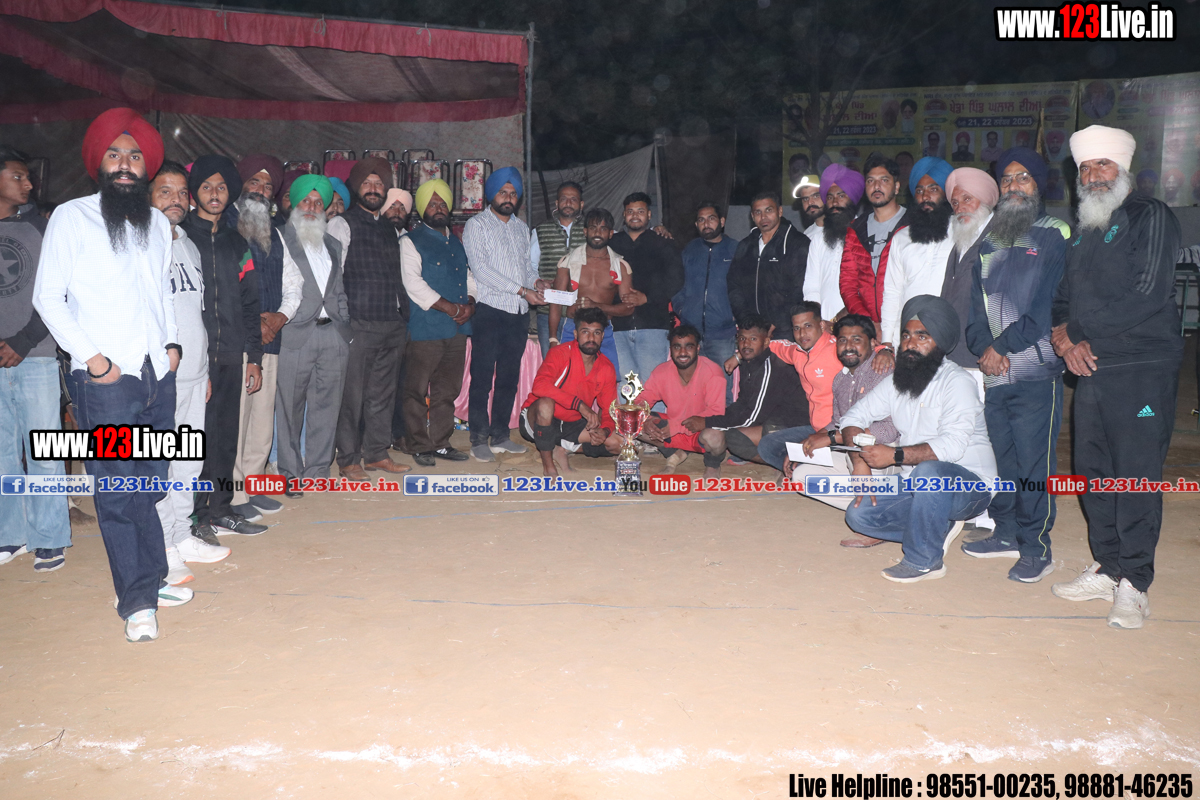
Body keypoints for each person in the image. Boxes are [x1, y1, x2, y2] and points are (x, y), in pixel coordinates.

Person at [34, 108, 192, 642]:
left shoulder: (157, 224)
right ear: (98, 163)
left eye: (135, 156)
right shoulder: (71, 217)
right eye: (115, 154)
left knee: (150, 484)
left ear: (146, 167)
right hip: (106, 381)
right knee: (119, 493)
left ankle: (154, 578)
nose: (125, 164)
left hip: (155, 376)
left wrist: (171, 346)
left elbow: (161, 294)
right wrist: (94, 359)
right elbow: (47, 297)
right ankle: (136, 602)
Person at [1050, 125, 1181, 629]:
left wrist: (1081, 334)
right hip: (1090, 367)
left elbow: (1149, 291)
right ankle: (1108, 567)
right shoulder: (1086, 227)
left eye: (1102, 164)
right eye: (1085, 167)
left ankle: (1136, 583)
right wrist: (1066, 340)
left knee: (1135, 475)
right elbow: (1062, 299)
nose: (1093, 175)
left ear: (1123, 168)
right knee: (1093, 473)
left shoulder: (1151, 215)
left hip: (1141, 367)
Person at [964, 147, 1069, 584]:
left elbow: (1046, 306)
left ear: (1038, 185)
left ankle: (1036, 548)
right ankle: (1006, 532)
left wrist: (1002, 347)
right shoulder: (989, 241)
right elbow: (974, 308)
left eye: (1023, 177)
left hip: (1035, 372)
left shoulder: (1055, 234)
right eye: (1006, 179)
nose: (1013, 186)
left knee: (1032, 465)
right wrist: (983, 348)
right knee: (1004, 461)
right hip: (995, 374)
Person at [840, 295, 997, 583]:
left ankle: (925, 560)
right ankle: (936, 527)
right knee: (859, 516)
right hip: (915, 483)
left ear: (940, 342)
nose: (910, 344)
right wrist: (859, 460)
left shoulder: (957, 382)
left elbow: (952, 446)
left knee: (929, 472)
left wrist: (895, 455)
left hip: (969, 486)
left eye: (922, 336)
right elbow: (852, 417)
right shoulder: (898, 380)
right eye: (906, 336)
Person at [149, 161, 231, 584]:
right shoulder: (141, 244)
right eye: (165, 191)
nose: (177, 200)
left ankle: (182, 535)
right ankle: (162, 545)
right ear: (147, 195)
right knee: (161, 465)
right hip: (160, 377)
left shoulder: (188, 245)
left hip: (195, 375)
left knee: (188, 462)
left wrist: (204, 369)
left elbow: (195, 315)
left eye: (182, 192)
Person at [180, 155, 267, 541]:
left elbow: (250, 302)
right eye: (206, 187)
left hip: (231, 354)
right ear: (194, 193)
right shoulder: (180, 238)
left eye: (221, 187)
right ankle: (195, 516)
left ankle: (220, 509)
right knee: (195, 440)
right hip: (193, 359)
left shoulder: (237, 243)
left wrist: (254, 357)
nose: (214, 194)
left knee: (225, 436)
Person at [0, 145, 71, 573]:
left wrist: (23, 342)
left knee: (43, 451)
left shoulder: (42, 228)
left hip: (37, 356)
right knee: (2, 452)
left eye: (28, 177)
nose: (28, 184)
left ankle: (49, 537)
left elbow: (58, 292)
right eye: (18, 176)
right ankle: (10, 534)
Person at [781, 315, 900, 543]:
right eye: (843, 340)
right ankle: (882, 510)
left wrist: (831, 437)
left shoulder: (883, 372)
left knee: (862, 453)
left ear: (872, 343)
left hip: (887, 455)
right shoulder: (840, 379)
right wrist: (805, 445)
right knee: (802, 477)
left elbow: (889, 430)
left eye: (856, 340)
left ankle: (874, 522)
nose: (848, 346)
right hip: (851, 452)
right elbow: (836, 422)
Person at [327, 156, 411, 480]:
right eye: (367, 183)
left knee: (382, 394)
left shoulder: (390, 228)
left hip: (391, 324)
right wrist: (343, 322)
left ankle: (377, 454)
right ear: (356, 188)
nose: (374, 188)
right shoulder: (341, 224)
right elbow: (333, 277)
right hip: (359, 325)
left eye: (379, 184)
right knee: (352, 397)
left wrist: (402, 317)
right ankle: (349, 459)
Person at [275, 175, 352, 494]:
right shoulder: (279, 237)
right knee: (289, 408)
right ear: (294, 204)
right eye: (305, 200)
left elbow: (338, 289)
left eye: (318, 202)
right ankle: (290, 472)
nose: (311, 207)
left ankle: (318, 470)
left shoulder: (333, 243)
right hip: (295, 333)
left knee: (327, 406)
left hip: (333, 334)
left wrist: (344, 325)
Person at [462, 166, 545, 463]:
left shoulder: (522, 228)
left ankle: (499, 436)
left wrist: (536, 282)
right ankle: (478, 438)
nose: (508, 198)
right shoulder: (477, 226)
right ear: (491, 195)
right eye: (502, 192)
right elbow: (481, 270)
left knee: (509, 378)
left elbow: (526, 268)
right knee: (482, 378)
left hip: (518, 314)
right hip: (490, 311)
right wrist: (522, 290)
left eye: (513, 193)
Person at [228, 154, 292, 522]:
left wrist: (280, 317)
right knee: (238, 418)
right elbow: (224, 285)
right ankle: (234, 493)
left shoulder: (276, 232)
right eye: (254, 181)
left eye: (268, 186)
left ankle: (253, 485)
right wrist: (255, 322)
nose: (261, 190)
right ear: (241, 184)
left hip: (271, 337)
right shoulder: (226, 223)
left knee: (261, 419)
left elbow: (294, 282)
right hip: (239, 339)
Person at [402, 179, 475, 466]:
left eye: (443, 203)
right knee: (416, 390)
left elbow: (469, 277)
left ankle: (441, 443)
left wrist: (470, 303)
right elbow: (413, 284)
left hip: (457, 329)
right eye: (432, 204)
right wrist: (451, 308)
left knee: (447, 390)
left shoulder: (456, 241)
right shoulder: (410, 241)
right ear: (422, 209)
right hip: (426, 328)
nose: (438, 207)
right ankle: (419, 444)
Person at [701, 314, 808, 479]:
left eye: (753, 339)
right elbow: (743, 403)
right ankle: (774, 457)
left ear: (766, 342)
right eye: (742, 339)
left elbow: (752, 416)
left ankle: (788, 464)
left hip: (795, 426)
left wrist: (709, 423)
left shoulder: (770, 366)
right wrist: (714, 420)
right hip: (772, 418)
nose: (746, 344)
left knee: (735, 437)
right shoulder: (749, 362)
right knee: (728, 435)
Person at [518, 307, 620, 477]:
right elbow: (539, 386)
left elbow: (610, 410)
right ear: (575, 334)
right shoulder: (560, 353)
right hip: (537, 420)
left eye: (596, 333)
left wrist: (605, 431)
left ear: (602, 336)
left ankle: (562, 448)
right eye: (585, 332)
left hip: (571, 424)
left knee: (618, 443)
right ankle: (548, 465)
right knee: (546, 404)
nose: (591, 338)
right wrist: (579, 405)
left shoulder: (606, 367)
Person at [754, 300, 841, 477]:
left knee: (810, 454)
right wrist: (738, 357)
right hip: (814, 428)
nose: (802, 334)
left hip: (838, 432)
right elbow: (775, 345)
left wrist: (885, 351)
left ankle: (805, 469)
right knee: (767, 446)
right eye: (796, 328)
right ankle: (800, 469)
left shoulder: (838, 349)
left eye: (808, 326)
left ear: (821, 325)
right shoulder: (798, 352)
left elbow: (867, 348)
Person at [610, 192, 685, 395]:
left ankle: (652, 418)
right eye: (630, 211)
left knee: (652, 385)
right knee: (625, 385)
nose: (635, 216)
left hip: (653, 325)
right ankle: (626, 418)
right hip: (618, 327)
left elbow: (676, 279)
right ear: (624, 215)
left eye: (640, 211)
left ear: (649, 215)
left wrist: (647, 298)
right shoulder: (613, 244)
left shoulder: (663, 242)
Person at [548, 207, 638, 372]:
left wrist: (597, 306)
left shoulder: (621, 266)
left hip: (604, 330)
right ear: (585, 231)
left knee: (606, 378)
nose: (598, 233)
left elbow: (628, 308)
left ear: (610, 233)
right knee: (568, 378)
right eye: (593, 228)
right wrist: (553, 338)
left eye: (603, 228)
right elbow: (555, 302)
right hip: (572, 328)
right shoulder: (567, 262)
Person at [879, 157, 955, 348]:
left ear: (946, 193)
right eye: (919, 191)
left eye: (933, 189)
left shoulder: (962, 232)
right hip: (908, 337)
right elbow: (892, 292)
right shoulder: (901, 238)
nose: (925, 197)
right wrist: (887, 341)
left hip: (948, 334)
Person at [633, 324, 726, 472]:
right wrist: (645, 420)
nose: (683, 352)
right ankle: (676, 452)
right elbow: (642, 400)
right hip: (672, 430)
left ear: (698, 348)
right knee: (630, 421)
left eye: (689, 347)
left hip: (699, 432)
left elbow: (716, 413)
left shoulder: (713, 372)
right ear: (670, 349)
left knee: (715, 437)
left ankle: (712, 464)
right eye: (677, 347)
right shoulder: (661, 371)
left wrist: (676, 427)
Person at [674, 201, 737, 402]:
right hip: (691, 334)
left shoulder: (735, 249)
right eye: (701, 220)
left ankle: (721, 423)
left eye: (711, 218)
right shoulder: (689, 250)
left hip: (722, 335)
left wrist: (734, 315)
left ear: (722, 221)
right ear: (696, 224)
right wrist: (682, 309)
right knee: (693, 391)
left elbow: (743, 287)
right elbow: (676, 284)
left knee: (721, 391)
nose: (706, 223)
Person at [728, 191, 809, 340]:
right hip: (752, 332)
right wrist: (745, 319)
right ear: (752, 216)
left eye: (768, 210)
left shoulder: (797, 243)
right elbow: (734, 285)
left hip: (785, 331)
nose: (763, 217)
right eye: (758, 212)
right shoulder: (745, 245)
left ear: (780, 211)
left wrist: (778, 322)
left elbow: (799, 289)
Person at [941, 168, 998, 371]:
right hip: (952, 351)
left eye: (967, 199)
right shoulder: (962, 237)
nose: (960, 208)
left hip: (982, 354)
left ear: (984, 199)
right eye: (955, 203)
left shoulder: (999, 239)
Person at [840, 154, 907, 324]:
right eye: (870, 181)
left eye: (884, 180)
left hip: (904, 322)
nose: (876, 186)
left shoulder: (912, 225)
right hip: (868, 325)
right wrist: (868, 323)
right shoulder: (856, 229)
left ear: (896, 187)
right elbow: (848, 284)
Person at [530, 181, 586, 355]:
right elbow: (530, 266)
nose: (568, 203)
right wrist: (538, 282)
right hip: (547, 311)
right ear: (557, 203)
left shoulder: (590, 231)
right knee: (552, 362)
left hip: (582, 312)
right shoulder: (540, 231)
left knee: (580, 364)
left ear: (581, 204)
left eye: (573, 199)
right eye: (563, 199)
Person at [804, 165, 863, 323]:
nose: (834, 202)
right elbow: (811, 285)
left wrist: (840, 317)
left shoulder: (865, 234)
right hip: (823, 323)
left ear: (852, 199)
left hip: (858, 320)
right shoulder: (818, 239)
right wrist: (817, 320)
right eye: (829, 197)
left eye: (841, 196)